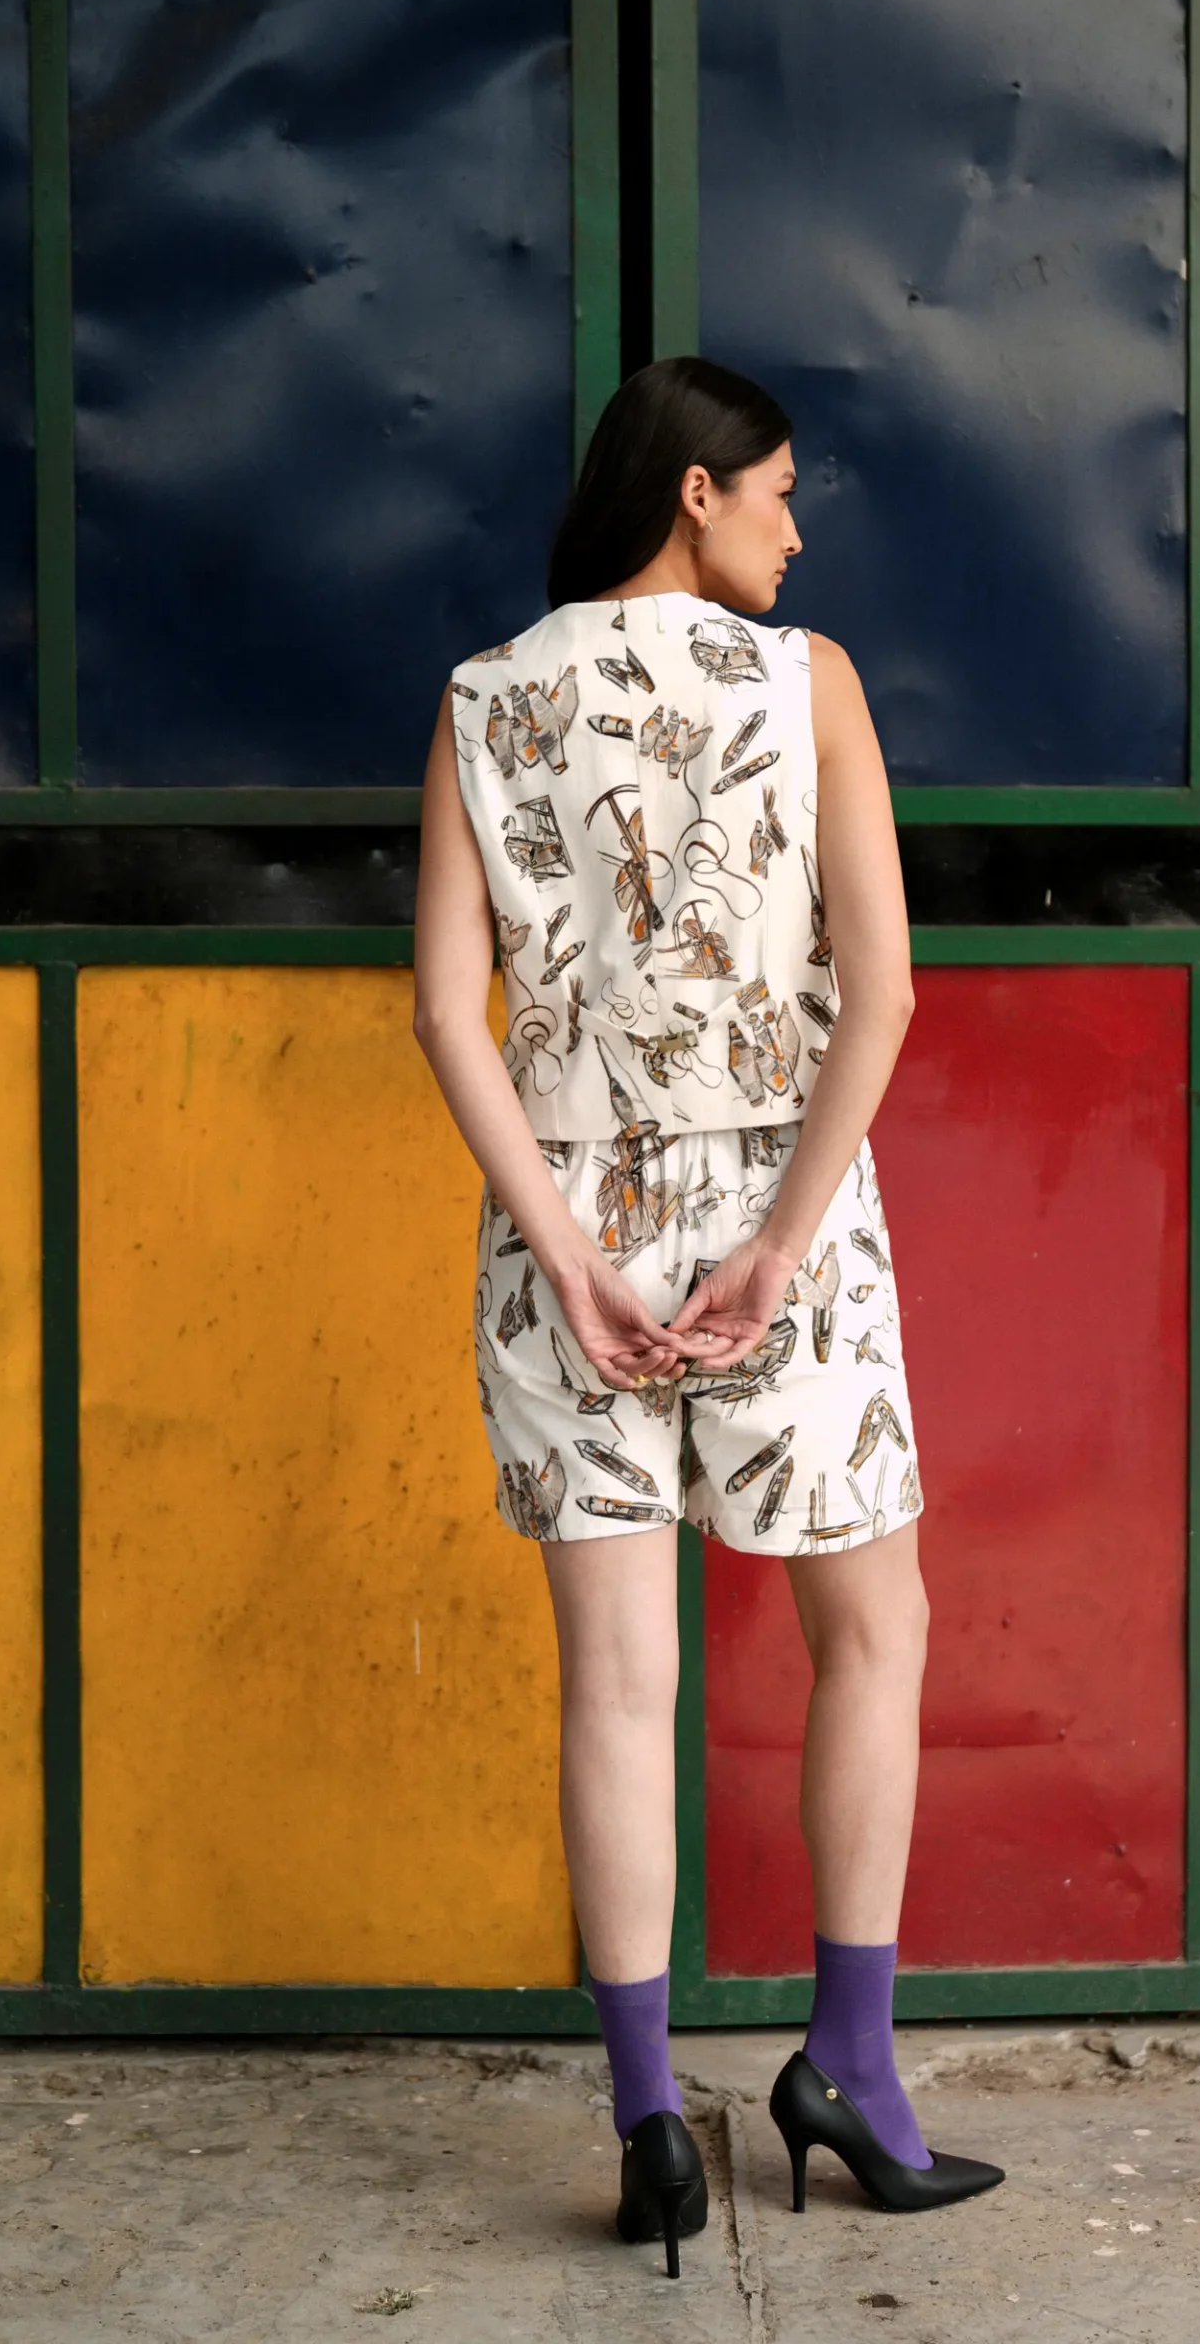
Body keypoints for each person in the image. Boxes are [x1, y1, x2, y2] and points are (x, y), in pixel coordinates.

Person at [413, 355, 1002, 2275]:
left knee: (615, 1681)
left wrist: (568, 1250)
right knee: (875, 1631)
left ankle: (650, 2123)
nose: (795, 532)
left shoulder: (486, 698)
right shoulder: (806, 681)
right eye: (779, 493)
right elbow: (882, 993)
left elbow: (446, 1015)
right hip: (783, 1215)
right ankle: (852, 2072)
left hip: (565, 1222)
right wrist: (777, 1244)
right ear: (695, 490)